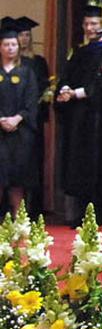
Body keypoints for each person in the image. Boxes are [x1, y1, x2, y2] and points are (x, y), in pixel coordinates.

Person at [56, 1, 102, 225]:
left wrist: (76, 94)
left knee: (97, 163)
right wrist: (64, 89)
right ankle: (81, 213)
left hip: (99, 117)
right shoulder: (80, 51)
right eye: (86, 23)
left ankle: (98, 214)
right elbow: (66, 75)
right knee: (79, 163)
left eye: (94, 23)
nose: (89, 28)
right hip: (79, 118)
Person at [11, 16, 49, 216]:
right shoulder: (9, 64)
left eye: (27, 35)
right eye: (20, 35)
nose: (24, 39)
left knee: (31, 166)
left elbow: (43, 88)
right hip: (9, 121)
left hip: (30, 123)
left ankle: (33, 209)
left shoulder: (38, 62)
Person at [0, 23, 39, 214]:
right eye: (6, 44)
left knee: (18, 180)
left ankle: (18, 223)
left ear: (18, 47)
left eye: (13, 44)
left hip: (20, 135)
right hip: (0, 133)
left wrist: (17, 118)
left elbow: (31, 102)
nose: (10, 48)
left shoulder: (27, 72)